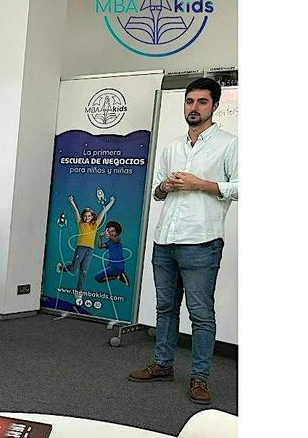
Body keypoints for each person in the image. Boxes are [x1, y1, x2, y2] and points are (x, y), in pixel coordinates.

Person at [129, 77, 238, 404]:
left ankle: (199, 377)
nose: (194, 108)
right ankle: (163, 364)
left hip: (201, 242)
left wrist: (199, 184)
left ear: (214, 106)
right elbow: (157, 191)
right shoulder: (173, 147)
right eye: (190, 101)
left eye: (202, 102)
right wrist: (166, 187)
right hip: (165, 240)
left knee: (201, 314)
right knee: (165, 306)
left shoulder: (229, 144)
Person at [59, 191, 115, 302]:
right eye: (85, 216)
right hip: (81, 248)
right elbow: (76, 211)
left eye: (89, 216)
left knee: (84, 271)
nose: (87, 217)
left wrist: (111, 202)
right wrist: (71, 201)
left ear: (92, 216)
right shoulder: (80, 223)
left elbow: (104, 211)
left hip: (90, 250)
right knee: (74, 268)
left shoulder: (95, 224)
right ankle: (62, 268)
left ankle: (79, 291)